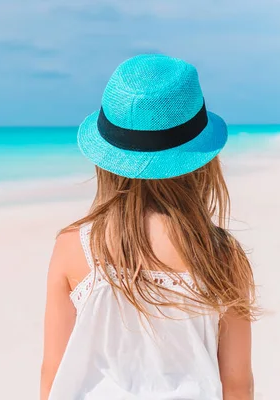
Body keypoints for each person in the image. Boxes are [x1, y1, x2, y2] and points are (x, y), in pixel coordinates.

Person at [40, 55, 258, 400]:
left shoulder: (73, 247)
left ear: (106, 162)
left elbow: (53, 374)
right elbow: (237, 384)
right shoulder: (221, 256)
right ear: (203, 162)